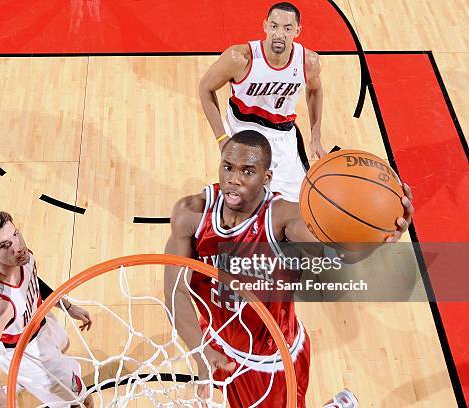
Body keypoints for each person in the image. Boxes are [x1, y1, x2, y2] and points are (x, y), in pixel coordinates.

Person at [164, 131, 413, 407]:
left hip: (270, 359)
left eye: (248, 171)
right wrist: (202, 353)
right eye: (228, 167)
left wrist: (375, 240)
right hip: (218, 339)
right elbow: (175, 293)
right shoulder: (192, 214)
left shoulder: (283, 219)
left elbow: (338, 253)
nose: (234, 179)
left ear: (266, 178)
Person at [0, 209, 94, 408]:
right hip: (22, 348)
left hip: (36, 318)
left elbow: (32, 281)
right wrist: (5, 404)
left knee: (63, 345)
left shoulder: (18, 257)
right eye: (5, 245)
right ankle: (16, 383)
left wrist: (67, 306)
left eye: (15, 234)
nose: (18, 247)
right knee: (81, 402)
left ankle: (20, 380)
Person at [199, 2, 325, 202]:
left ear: (298, 31)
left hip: (283, 136)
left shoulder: (308, 62)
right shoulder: (240, 58)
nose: (279, 34)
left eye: (287, 28)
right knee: (245, 204)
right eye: (274, 26)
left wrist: (316, 137)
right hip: (243, 131)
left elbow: (315, 91)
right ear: (265, 26)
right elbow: (205, 87)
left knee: (296, 207)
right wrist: (222, 139)